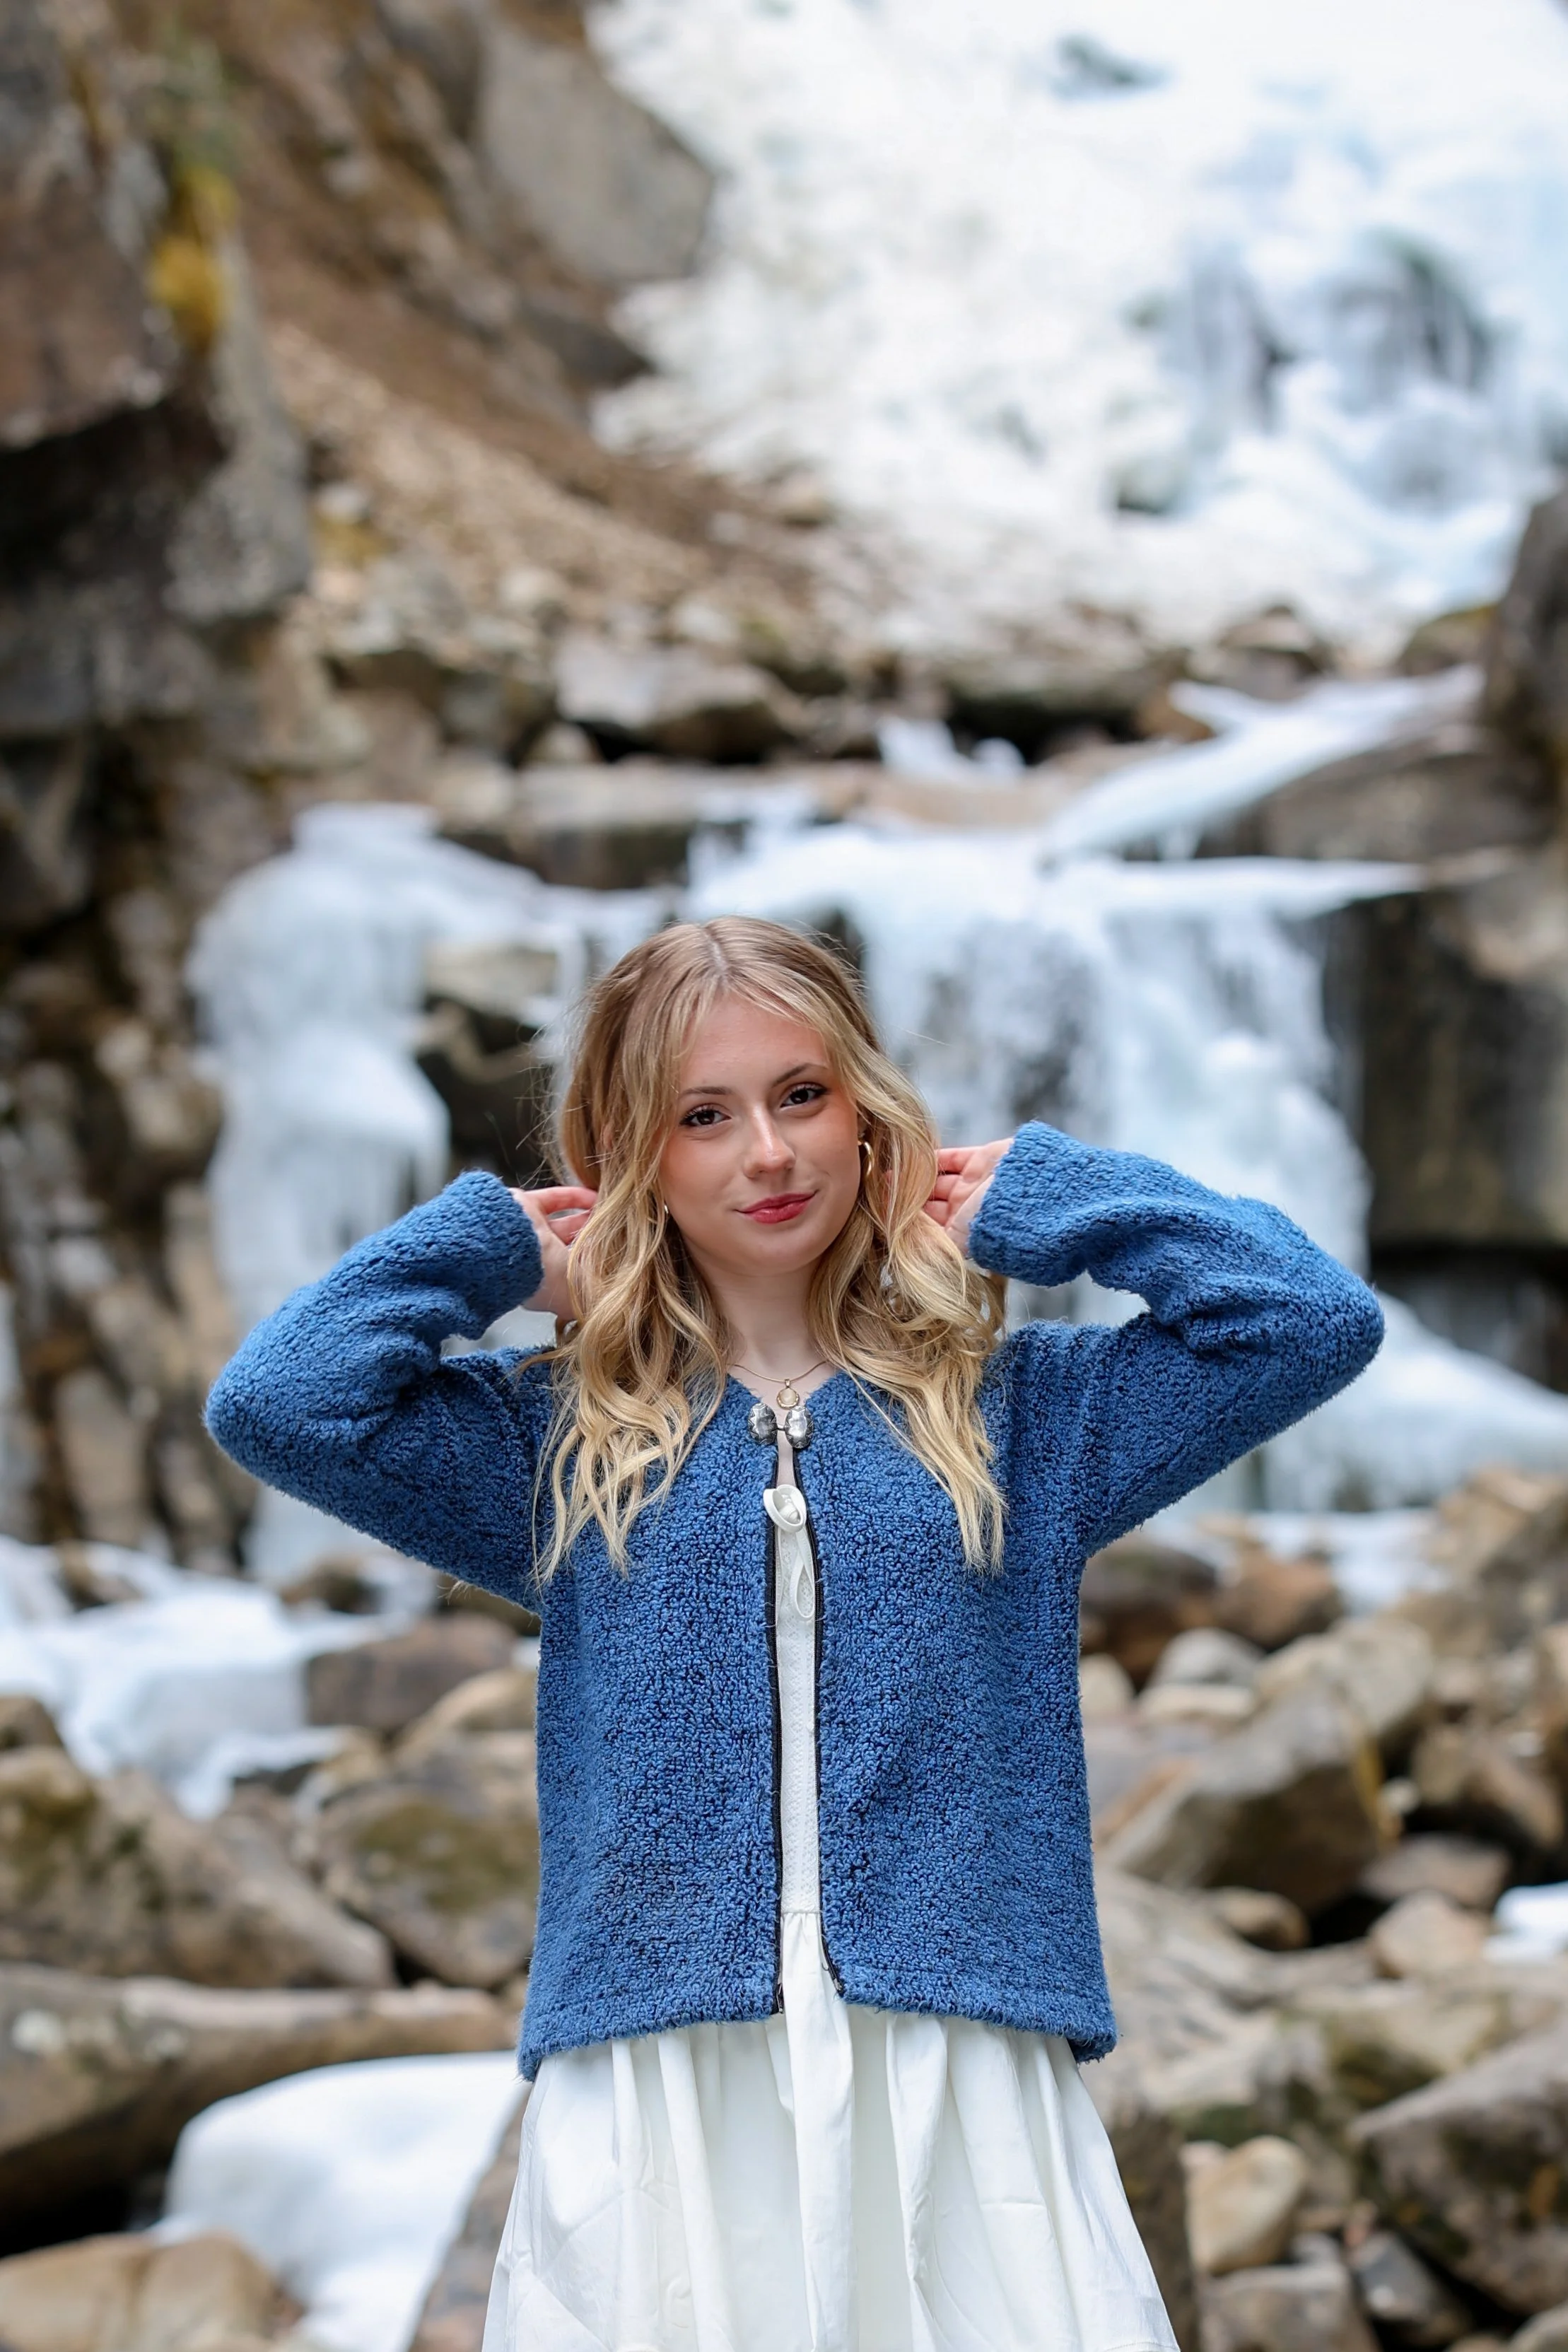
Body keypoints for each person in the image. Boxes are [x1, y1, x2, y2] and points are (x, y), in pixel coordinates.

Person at [206, 915, 1383, 2352]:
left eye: (800, 1096)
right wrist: (486, 1248)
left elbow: (1305, 1319)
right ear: (633, 1151)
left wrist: (1056, 1197)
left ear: (864, 1110)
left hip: (952, 2048)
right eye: (702, 1117)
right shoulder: (561, 1442)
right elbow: (278, 1401)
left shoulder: (1024, 1415)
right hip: (664, 2060)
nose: (765, 1153)